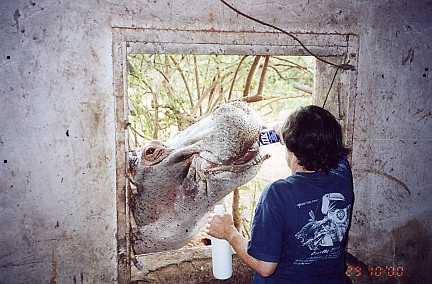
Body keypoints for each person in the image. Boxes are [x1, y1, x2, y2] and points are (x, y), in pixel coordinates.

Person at [206, 105, 353, 283]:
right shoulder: (343, 174)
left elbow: (264, 266)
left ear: (292, 146)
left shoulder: (278, 194)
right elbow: (323, 146)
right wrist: (291, 133)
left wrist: (229, 232)